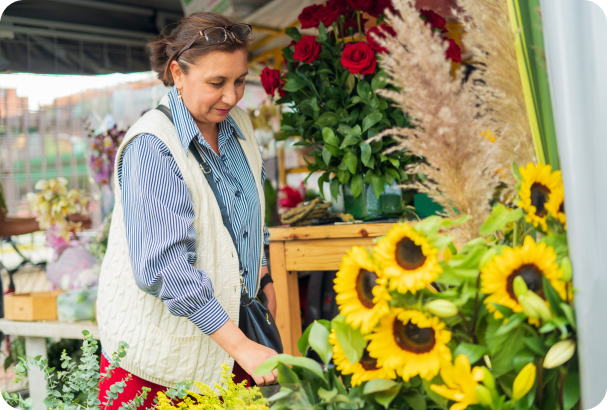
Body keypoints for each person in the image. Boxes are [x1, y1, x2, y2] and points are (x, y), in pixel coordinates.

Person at [96, 12, 278, 407]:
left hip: (233, 344)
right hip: (162, 366)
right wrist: (241, 345)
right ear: (177, 73)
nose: (232, 96)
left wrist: (263, 278)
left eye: (240, 80)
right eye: (217, 83)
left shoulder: (239, 127)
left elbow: (251, 216)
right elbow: (166, 268)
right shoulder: (153, 146)